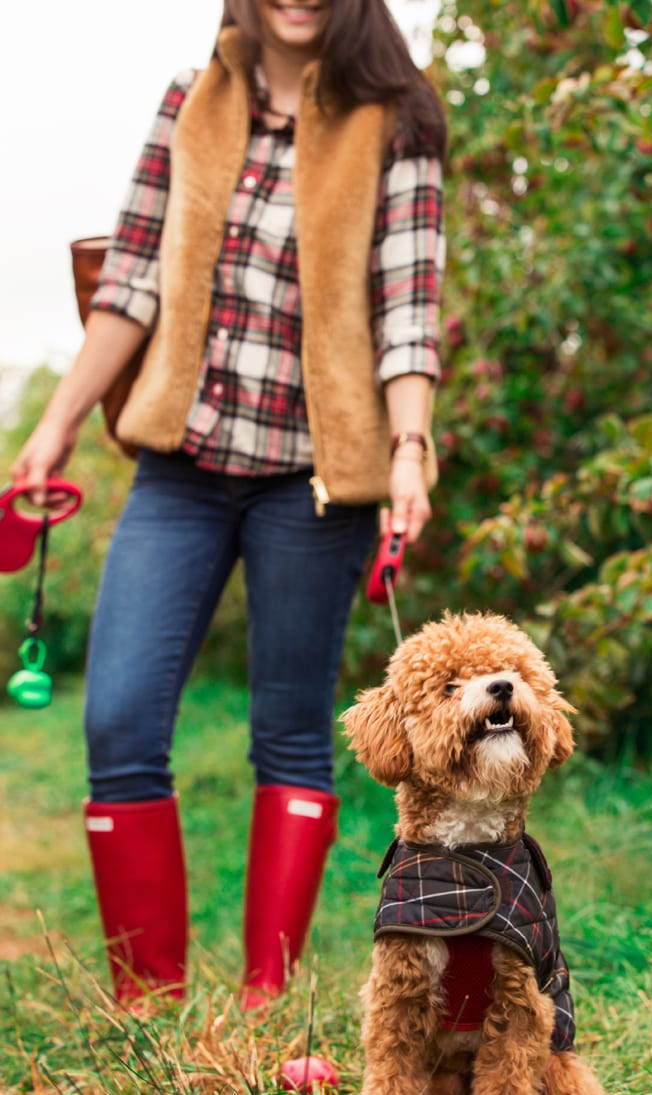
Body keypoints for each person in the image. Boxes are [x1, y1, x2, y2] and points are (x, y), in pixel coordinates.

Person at [10, 0, 446, 1010]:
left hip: (317, 483)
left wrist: (410, 449)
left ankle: (267, 1000)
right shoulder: (190, 104)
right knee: (117, 721)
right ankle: (147, 999)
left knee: (289, 733)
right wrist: (60, 423)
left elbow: (408, 314)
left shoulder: (398, 118)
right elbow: (128, 287)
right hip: (181, 470)